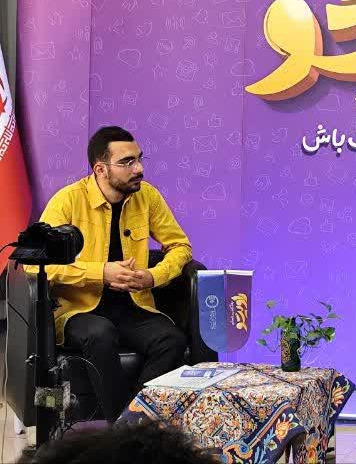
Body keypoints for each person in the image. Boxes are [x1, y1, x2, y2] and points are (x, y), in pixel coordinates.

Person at [29, 126, 193, 420]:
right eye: (127, 162)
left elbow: (180, 246)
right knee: (100, 333)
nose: (139, 168)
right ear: (101, 169)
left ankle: (131, 420)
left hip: (132, 306)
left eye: (139, 159)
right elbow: (35, 264)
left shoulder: (148, 197)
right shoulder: (68, 200)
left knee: (172, 340)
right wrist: (100, 273)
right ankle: (123, 429)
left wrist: (153, 276)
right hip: (79, 310)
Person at [18, 419, 220, 464]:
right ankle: (118, 418)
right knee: (100, 337)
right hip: (83, 321)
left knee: (169, 340)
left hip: (134, 318)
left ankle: (130, 409)